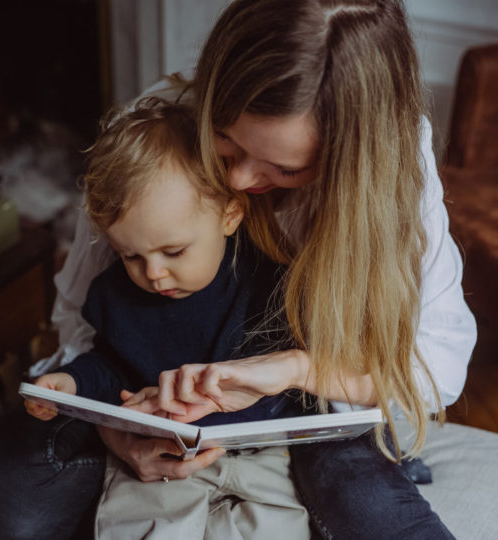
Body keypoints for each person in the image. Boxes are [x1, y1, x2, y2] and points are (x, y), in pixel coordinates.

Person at [0, 1, 477, 538]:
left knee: (364, 497)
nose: (239, 182)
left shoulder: (393, 175)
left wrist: (296, 369)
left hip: (303, 402)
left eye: (285, 167)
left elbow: (434, 368)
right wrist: (120, 435)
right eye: (226, 139)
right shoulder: (158, 128)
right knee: (6, 492)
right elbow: (88, 320)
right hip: (149, 397)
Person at [24, 99, 311, 539]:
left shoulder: (267, 283)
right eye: (131, 255)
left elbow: (283, 389)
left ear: (230, 215)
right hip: (159, 458)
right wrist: (69, 385)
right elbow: (109, 365)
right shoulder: (116, 295)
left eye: (173, 252)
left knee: (278, 526)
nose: (153, 274)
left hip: (257, 454)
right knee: (137, 525)